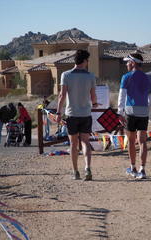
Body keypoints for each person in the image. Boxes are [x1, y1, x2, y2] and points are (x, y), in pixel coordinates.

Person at [56, 49, 98, 181]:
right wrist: (95, 103)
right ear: (85, 61)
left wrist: (58, 112)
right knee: (85, 142)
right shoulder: (90, 76)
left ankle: (75, 172)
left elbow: (62, 95)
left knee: (73, 144)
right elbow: (93, 96)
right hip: (85, 114)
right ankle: (87, 168)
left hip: (71, 114)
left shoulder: (66, 75)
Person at [117, 53, 151, 179]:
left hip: (130, 111)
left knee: (131, 141)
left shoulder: (125, 77)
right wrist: (147, 111)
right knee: (143, 141)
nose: (126, 64)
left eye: (128, 62)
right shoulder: (148, 78)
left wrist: (120, 113)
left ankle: (133, 168)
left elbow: (122, 96)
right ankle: (142, 170)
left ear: (133, 63)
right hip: (143, 112)